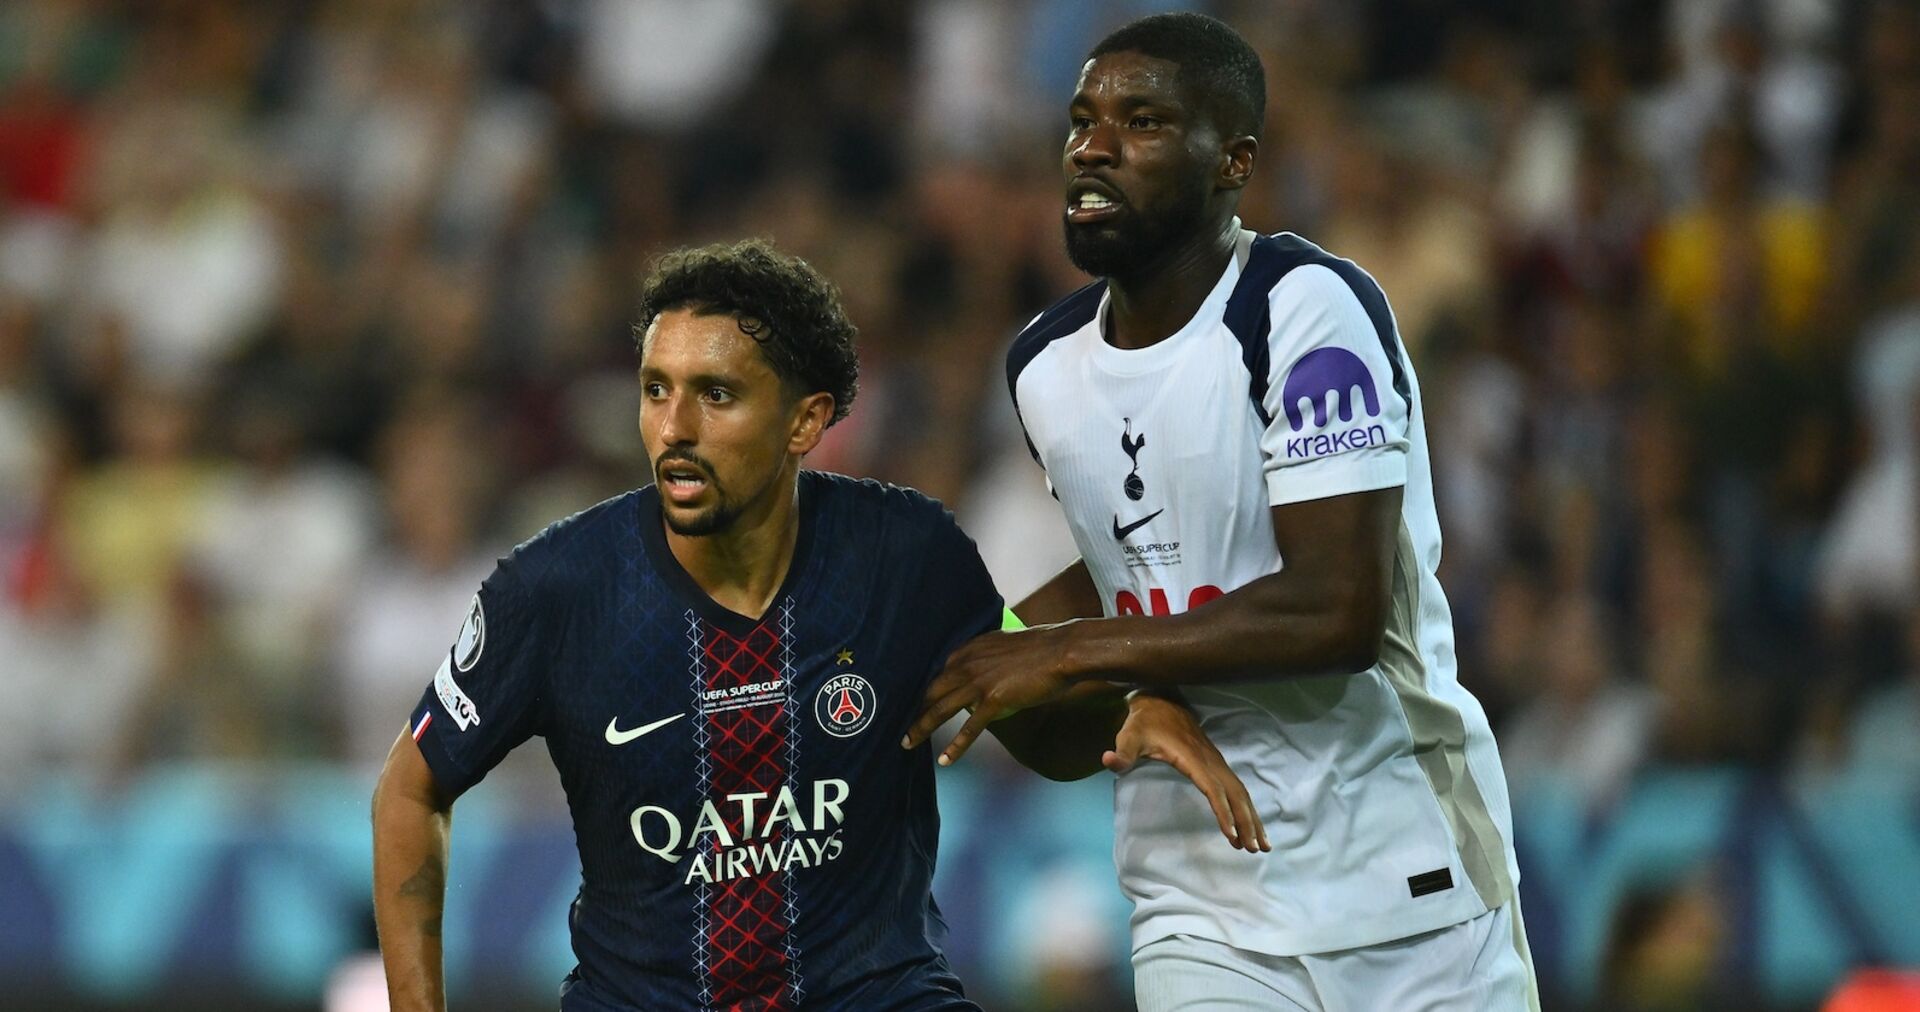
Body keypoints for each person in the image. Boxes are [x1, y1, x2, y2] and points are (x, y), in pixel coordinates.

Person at [370, 238, 1261, 1011]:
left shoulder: (906, 555)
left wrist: (1123, 703)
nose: (673, 428)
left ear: (808, 421)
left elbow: (1028, 727)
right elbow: (410, 790)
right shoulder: (555, 591)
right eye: (655, 389)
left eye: (716, 395)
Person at [904, 13, 1540, 1010]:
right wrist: (983, 662)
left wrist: (1072, 655)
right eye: (1080, 121)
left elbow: (1338, 611)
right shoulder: (1041, 368)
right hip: (1195, 902)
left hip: (1406, 886)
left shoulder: (1307, 312)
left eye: (1143, 120)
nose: (1093, 146)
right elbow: (1128, 577)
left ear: (1231, 160)